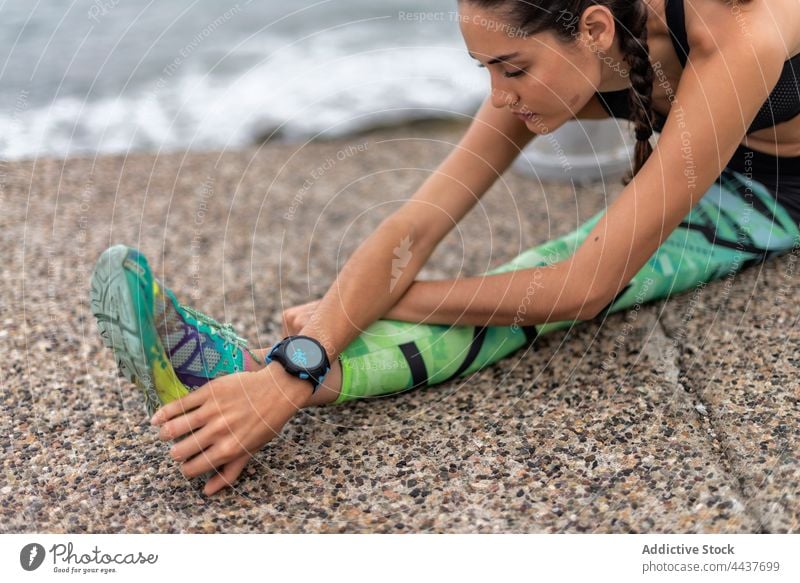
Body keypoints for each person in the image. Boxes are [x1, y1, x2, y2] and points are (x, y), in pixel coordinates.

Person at [91, 0, 800, 496]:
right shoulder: (570, 36)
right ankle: (259, 374)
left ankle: (252, 373)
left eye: (513, 68)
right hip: (714, 148)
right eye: (484, 68)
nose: (498, 95)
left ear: (594, 29)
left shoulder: (740, 33)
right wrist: (302, 355)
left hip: (774, 192)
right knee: (508, 289)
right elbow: (414, 227)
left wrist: (357, 319)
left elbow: (585, 285)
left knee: (532, 288)